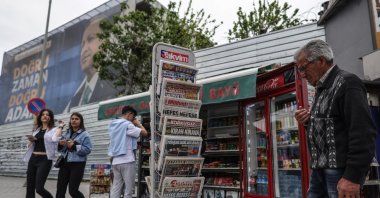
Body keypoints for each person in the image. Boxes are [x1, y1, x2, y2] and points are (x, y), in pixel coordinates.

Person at [294, 39, 378, 198]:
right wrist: (308, 122)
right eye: (300, 70)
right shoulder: (321, 88)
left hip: (341, 172)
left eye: (304, 68)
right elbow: (331, 128)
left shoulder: (347, 82)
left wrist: (352, 177)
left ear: (321, 61)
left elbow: (364, 133)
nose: (302, 75)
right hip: (320, 170)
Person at [64, 16, 119, 112]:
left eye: (90, 39)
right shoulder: (75, 100)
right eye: (82, 45)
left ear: (106, 42)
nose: (84, 49)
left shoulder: (117, 78)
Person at [108, 106, 148, 198]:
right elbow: (145, 133)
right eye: (133, 117)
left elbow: (122, 139)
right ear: (129, 114)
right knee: (128, 190)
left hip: (115, 161)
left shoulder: (113, 124)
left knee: (116, 188)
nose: (133, 120)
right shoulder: (127, 125)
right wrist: (138, 124)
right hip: (127, 160)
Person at [23, 109, 63, 198]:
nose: (45, 116)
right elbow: (28, 146)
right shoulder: (36, 130)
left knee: (39, 188)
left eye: (47, 114)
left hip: (45, 160)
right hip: (33, 158)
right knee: (30, 187)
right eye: (43, 114)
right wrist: (30, 140)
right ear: (40, 117)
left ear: (50, 117)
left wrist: (61, 126)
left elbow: (55, 139)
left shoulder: (54, 129)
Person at [53, 112, 92, 198]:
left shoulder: (85, 135)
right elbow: (61, 149)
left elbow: (88, 150)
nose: (74, 121)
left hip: (77, 164)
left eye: (76, 119)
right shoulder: (67, 133)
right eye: (72, 119)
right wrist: (61, 144)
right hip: (64, 163)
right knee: (60, 190)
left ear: (80, 121)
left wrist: (74, 146)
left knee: (73, 191)